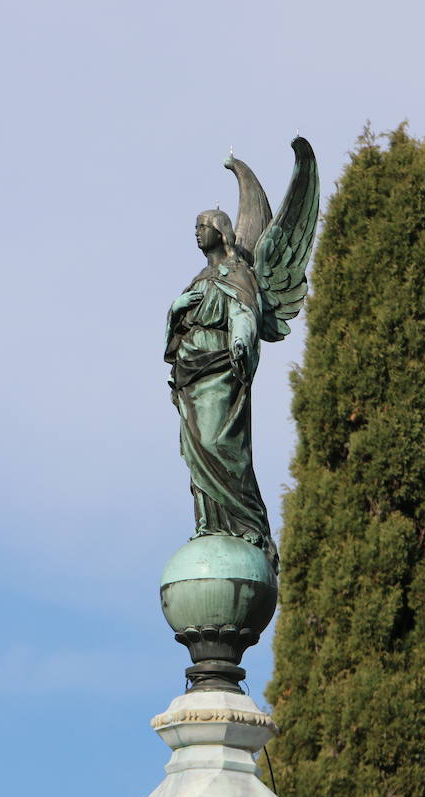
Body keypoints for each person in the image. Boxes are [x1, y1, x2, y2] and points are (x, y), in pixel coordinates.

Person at [164, 209, 277, 568]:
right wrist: (176, 308)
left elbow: (245, 311)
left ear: (220, 231)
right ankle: (210, 523)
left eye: (202, 227)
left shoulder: (237, 272)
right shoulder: (200, 278)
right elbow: (180, 324)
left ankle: (247, 522)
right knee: (196, 449)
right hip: (191, 373)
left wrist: (242, 341)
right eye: (195, 227)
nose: (196, 233)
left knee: (219, 443)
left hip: (220, 367)